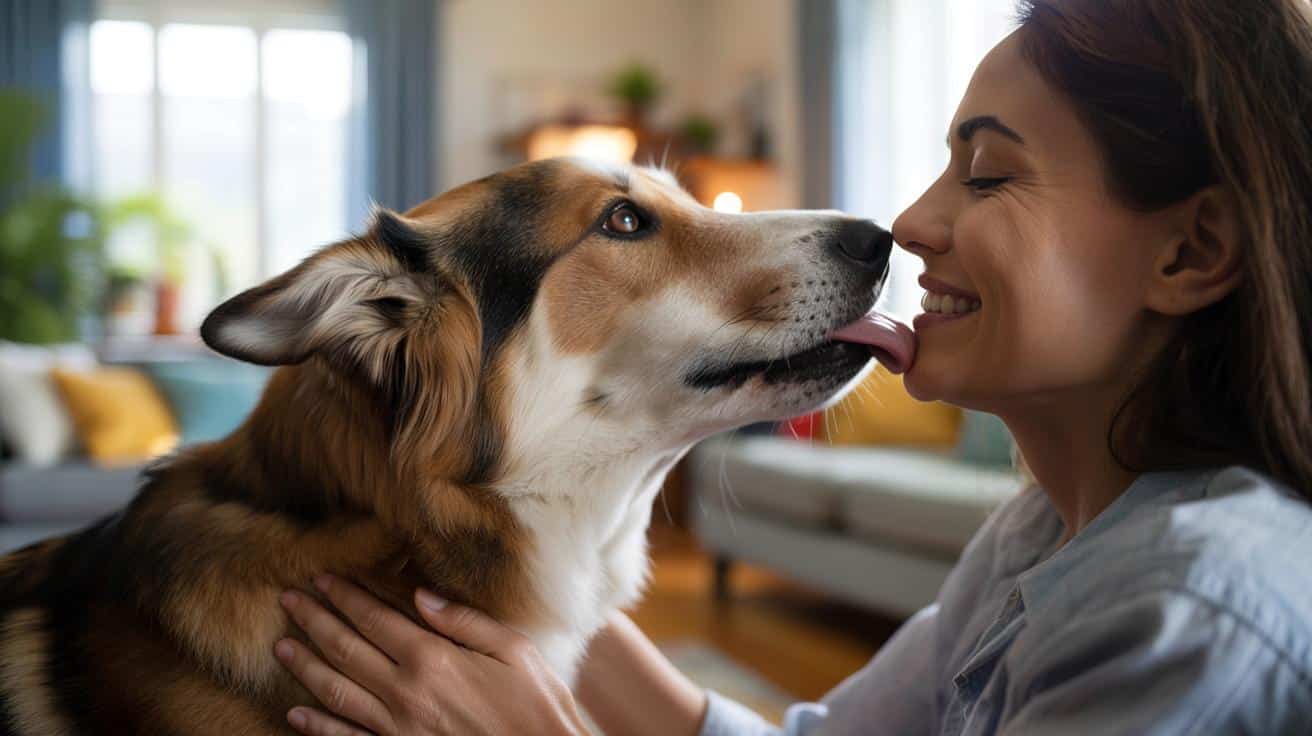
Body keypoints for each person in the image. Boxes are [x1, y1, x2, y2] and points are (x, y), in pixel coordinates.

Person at [268, 0, 1312, 733]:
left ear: (1190, 252)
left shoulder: (1195, 610)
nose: (907, 223)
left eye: (988, 176)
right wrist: (537, 603)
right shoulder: (1041, 534)